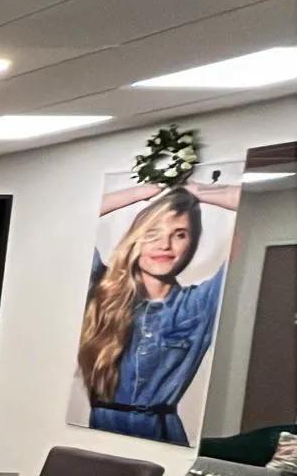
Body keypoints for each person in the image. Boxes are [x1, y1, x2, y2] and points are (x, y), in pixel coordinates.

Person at [76, 180, 240, 444]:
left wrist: (196, 191)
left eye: (179, 234)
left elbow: (246, 202)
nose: (165, 244)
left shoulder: (199, 305)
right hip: (99, 435)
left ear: (192, 243)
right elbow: (74, 218)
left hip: (162, 439)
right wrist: (139, 193)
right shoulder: (101, 290)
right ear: (135, 239)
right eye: (152, 233)